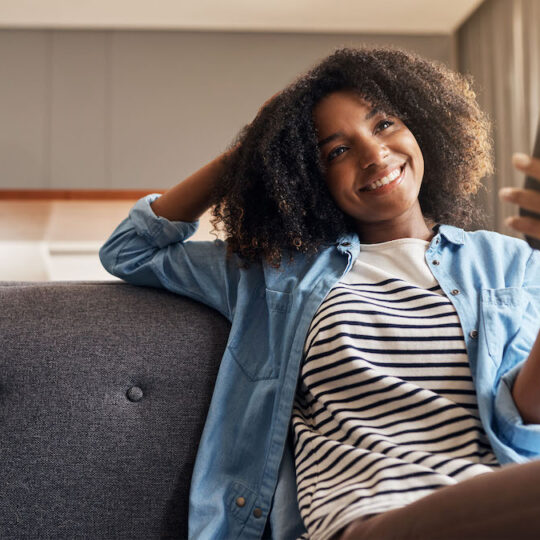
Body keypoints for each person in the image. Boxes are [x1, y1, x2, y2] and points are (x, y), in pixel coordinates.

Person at [99, 47, 540, 540]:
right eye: (337, 151)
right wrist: (251, 151)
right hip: (367, 518)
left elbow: (525, 413)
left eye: (384, 124)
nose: (374, 154)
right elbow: (131, 250)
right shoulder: (275, 272)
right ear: (309, 178)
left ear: (422, 127)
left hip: (503, 504)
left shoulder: (512, 263)